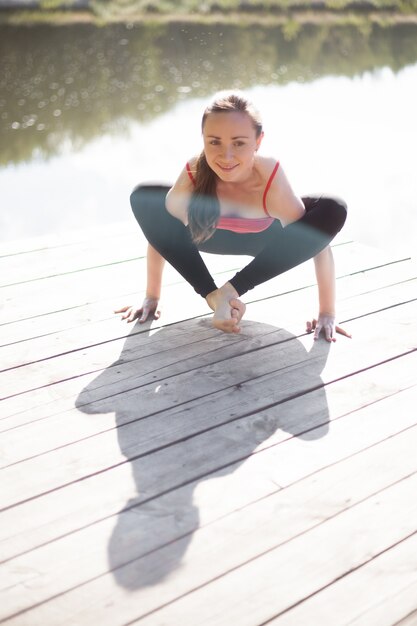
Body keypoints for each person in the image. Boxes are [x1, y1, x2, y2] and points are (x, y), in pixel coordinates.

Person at [117, 91, 350, 341]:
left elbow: (316, 243)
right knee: (144, 196)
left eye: (239, 143)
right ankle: (212, 295)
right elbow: (160, 235)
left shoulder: (269, 176)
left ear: (258, 141)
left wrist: (327, 312)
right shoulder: (193, 173)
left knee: (333, 207)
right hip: (204, 237)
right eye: (214, 142)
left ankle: (227, 292)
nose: (226, 157)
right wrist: (152, 296)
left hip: (266, 246)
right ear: (203, 140)